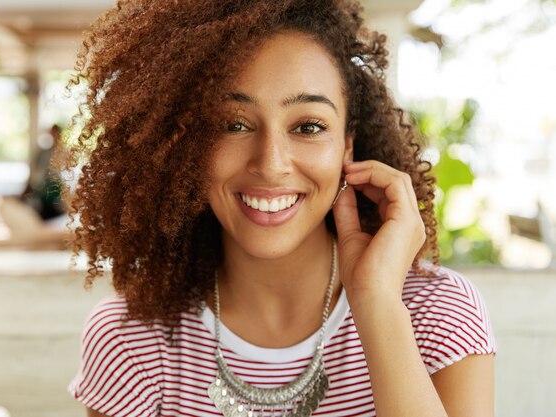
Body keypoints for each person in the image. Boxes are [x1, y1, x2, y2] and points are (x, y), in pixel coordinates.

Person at [67, 1, 496, 416]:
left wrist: (376, 303)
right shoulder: (131, 338)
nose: (271, 164)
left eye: (308, 126)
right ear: (184, 147)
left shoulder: (437, 314)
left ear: (347, 146)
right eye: (233, 124)